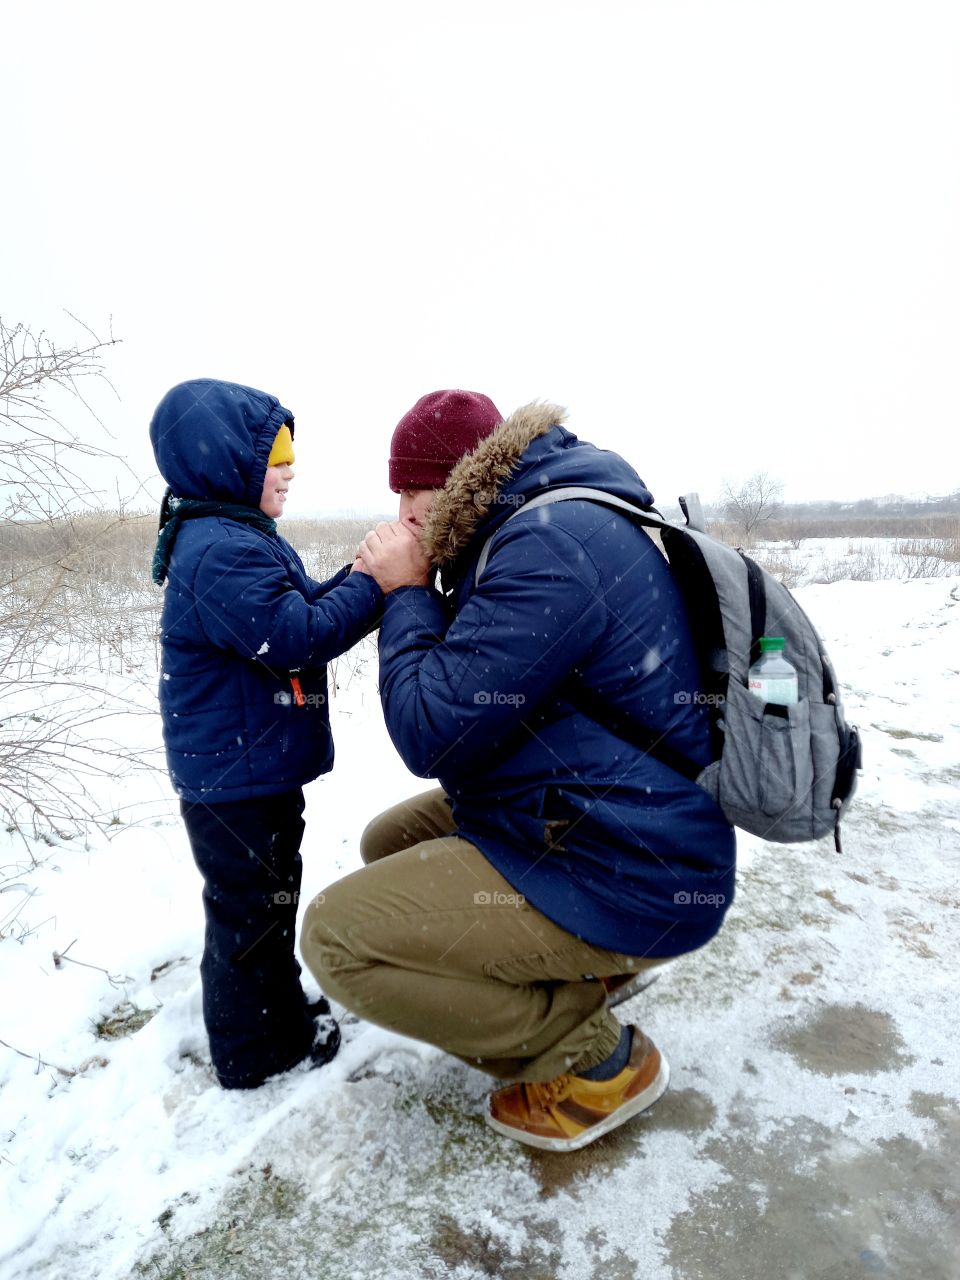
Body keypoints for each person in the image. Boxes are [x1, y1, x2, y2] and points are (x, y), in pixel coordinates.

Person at [300, 389, 736, 1151]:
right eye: (396, 491)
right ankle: (576, 975)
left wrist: (405, 593)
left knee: (337, 938)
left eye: (415, 490)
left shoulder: (548, 547)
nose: (403, 510)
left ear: (463, 480)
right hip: (615, 822)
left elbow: (430, 734)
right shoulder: (538, 522)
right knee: (390, 840)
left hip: (637, 865)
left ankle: (590, 1058)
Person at [150, 378, 382, 1089]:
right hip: (235, 782)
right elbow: (295, 635)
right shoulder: (220, 549)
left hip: (247, 773)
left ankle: (274, 1005)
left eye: (289, 452)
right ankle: (254, 1052)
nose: (288, 467)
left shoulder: (232, 536)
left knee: (267, 898)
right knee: (248, 914)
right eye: (273, 453)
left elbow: (300, 604)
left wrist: (361, 574)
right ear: (222, 461)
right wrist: (377, 587)